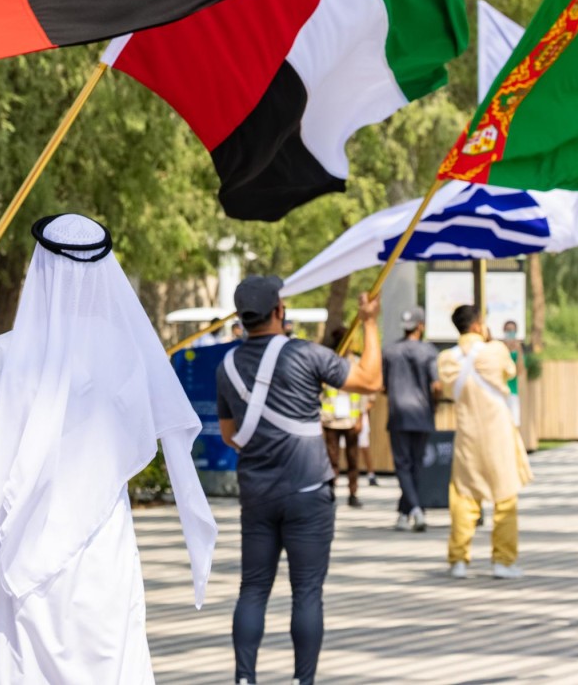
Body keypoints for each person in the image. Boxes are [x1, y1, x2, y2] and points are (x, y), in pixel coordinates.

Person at [0, 215, 215, 683]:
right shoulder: (125, 356)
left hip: (23, 541)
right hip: (102, 546)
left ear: (40, 270)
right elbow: (134, 440)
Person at [217, 275, 383, 685]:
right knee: (306, 591)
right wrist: (370, 322)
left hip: (256, 492)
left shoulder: (226, 367)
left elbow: (229, 435)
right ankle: (302, 681)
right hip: (309, 490)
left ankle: (244, 678)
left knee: (253, 588)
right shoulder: (308, 354)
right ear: (279, 311)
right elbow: (370, 380)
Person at [438, 303, 531, 578]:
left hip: (467, 434)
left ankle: (459, 559)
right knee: (504, 496)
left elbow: (446, 387)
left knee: (463, 496)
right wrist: (490, 341)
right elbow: (511, 372)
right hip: (498, 433)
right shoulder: (496, 351)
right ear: (479, 325)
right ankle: (503, 560)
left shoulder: (447, 359)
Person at [385, 306, 438, 533]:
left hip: (398, 413)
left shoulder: (389, 351)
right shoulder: (429, 351)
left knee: (403, 465)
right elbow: (436, 385)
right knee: (415, 465)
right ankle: (415, 509)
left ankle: (406, 512)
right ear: (421, 326)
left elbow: (383, 385)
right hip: (422, 413)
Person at [320, 326, 365, 508]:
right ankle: (331, 491)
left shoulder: (355, 362)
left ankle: (353, 492)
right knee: (332, 458)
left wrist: (361, 417)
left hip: (350, 418)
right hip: (331, 419)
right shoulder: (325, 361)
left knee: (353, 459)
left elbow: (363, 393)